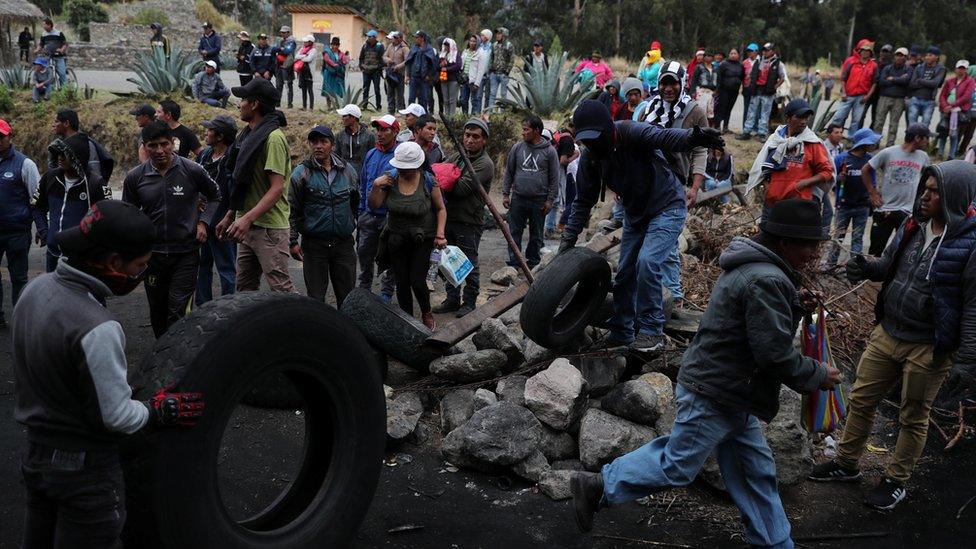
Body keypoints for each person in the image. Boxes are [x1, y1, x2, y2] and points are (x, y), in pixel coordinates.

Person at [572, 199, 839, 548]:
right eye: (809, 244)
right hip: (716, 392)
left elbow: (756, 323)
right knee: (677, 464)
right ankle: (598, 486)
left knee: (754, 472)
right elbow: (773, 354)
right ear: (785, 242)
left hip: (731, 392)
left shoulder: (761, 271)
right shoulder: (766, 279)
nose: (813, 252)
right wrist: (817, 374)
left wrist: (794, 302)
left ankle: (775, 542)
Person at [14, 199, 205, 548]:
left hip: (36, 457)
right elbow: (117, 418)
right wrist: (158, 410)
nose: (141, 274)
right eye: (140, 265)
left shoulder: (33, 291)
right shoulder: (97, 327)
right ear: (114, 263)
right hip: (84, 472)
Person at [810, 160, 976, 510]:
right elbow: (889, 267)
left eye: (935, 191)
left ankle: (895, 480)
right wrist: (867, 269)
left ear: (955, 197)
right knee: (861, 397)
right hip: (889, 332)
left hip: (929, 346)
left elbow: (974, 306)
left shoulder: (971, 244)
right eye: (925, 188)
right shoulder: (912, 226)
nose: (925, 196)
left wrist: (966, 360)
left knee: (912, 415)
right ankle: (845, 464)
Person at [560, 101, 723, 351]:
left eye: (595, 138)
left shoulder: (631, 131)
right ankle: (623, 331)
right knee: (625, 272)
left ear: (608, 128)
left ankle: (651, 331)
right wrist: (568, 241)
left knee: (647, 262)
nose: (591, 144)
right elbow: (583, 201)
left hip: (667, 206)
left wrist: (693, 137)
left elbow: (665, 137)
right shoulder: (591, 157)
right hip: (636, 214)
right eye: (586, 140)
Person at [122, 121, 220, 337]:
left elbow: (215, 196)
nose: (159, 151)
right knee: (158, 312)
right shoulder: (135, 177)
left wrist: (204, 222)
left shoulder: (192, 169)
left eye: (164, 144)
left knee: (178, 311)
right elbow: (127, 214)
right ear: (144, 146)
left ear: (173, 143)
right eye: (153, 145)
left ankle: (180, 361)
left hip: (185, 253)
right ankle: (162, 356)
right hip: (152, 257)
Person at [216, 77, 296, 293]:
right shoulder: (248, 136)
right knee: (244, 289)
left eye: (243, 99)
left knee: (282, 289)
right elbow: (244, 184)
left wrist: (246, 219)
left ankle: (302, 326)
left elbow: (277, 188)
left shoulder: (273, 138)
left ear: (255, 104)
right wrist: (232, 214)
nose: (239, 104)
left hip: (269, 228)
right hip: (248, 225)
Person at [638, 62, 708, 307]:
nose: (668, 88)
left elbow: (700, 150)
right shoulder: (648, 109)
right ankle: (658, 297)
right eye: (664, 83)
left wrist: (694, 186)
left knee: (666, 245)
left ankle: (672, 297)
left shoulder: (693, 112)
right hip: (647, 184)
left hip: (674, 183)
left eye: (673, 83)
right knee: (650, 244)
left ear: (682, 83)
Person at [368, 141, 447, 329]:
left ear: (418, 165)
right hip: (396, 238)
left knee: (417, 280)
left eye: (408, 168)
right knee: (402, 281)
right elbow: (374, 205)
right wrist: (375, 186)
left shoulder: (428, 180)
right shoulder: (390, 179)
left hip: (422, 238)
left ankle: (426, 312)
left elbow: (441, 209)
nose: (403, 171)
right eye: (400, 167)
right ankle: (407, 319)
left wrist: (440, 234)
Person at [289, 125, 359, 306]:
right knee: (316, 298)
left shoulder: (348, 171)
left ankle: (345, 334)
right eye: (314, 142)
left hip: (343, 244)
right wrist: (292, 241)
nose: (318, 146)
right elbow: (294, 209)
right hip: (314, 245)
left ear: (332, 145)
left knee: (347, 298)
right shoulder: (301, 173)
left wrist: (350, 225)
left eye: (323, 142)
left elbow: (355, 203)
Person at [433, 118, 493, 318]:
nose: (470, 140)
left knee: (469, 262)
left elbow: (461, 188)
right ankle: (452, 299)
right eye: (467, 135)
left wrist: (447, 177)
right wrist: (445, 176)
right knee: (448, 261)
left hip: (470, 220)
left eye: (475, 137)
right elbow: (438, 175)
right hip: (450, 217)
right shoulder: (458, 156)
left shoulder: (485, 164)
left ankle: (469, 302)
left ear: (484, 140)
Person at [33, 135, 111, 273]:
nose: (60, 158)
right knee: (51, 293)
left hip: (82, 258)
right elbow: (37, 206)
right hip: (53, 254)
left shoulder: (96, 183)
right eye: (59, 153)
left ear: (78, 158)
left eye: (66, 154)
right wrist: (46, 233)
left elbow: (107, 219)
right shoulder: (49, 178)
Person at [747, 98, 833, 219]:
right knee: (768, 235)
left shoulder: (812, 143)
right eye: (799, 117)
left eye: (806, 117)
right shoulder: (775, 139)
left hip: (799, 206)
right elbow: (762, 166)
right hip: (773, 204)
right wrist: (768, 188)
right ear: (788, 118)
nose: (803, 121)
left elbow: (827, 172)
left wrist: (803, 184)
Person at [861, 123, 932, 256]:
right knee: (875, 251)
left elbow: (928, 178)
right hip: (885, 210)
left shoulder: (923, 157)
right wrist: (873, 193)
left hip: (907, 212)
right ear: (917, 138)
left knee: (902, 251)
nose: (928, 141)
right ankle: (870, 277)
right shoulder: (888, 152)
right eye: (926, 138)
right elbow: (865, 170)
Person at [503, 115, 560, 269]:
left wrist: (550, 200)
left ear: (536, 131)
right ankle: (514, 262)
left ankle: (533, 261)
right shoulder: (517, 148)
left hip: (539, 200)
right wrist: (506, 194)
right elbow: (509, 172)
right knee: (514, 231)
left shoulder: (549, 151)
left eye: (526, 129)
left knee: (536, 234)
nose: (523, 132)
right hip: (518, 198)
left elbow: (555, 178)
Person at [0, 119, 41, 329]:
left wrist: (40, 227)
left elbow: (37, 197)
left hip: (17, 231)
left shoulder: (25, 164)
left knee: (18, 277)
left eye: (1, 137)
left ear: (10, 137)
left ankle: (20, 318)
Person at [195, 115, 238, 304]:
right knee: (201, 265)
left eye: (209, 130)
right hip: (203, 221)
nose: (206, 132)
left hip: (223, 222)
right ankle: (203, 305)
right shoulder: (204, 155)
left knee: (226, 267)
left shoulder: (233, 159)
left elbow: (237, 191)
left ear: (220, 136)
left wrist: (231, 215)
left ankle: (228, 308)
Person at [357, 114, 400, 300]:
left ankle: (386, 293)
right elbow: (363, 182)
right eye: (378, 129)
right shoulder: (371, 154)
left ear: (396, 132)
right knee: (364, 253)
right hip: (368, 215)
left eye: (385, 129)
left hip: (389, 217)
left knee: (390, 257)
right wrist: (360, 212)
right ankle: (364, 288)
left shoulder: (400, 155)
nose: (380, 134)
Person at [824, 128, 880, 268]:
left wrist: (873, 195)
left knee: (857, 238)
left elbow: (872, 182)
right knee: (838, 238)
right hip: (843, 206)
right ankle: (830, 265)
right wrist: (839, 177)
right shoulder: (841, 159)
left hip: (862, 206)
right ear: (862, 144)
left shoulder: (869, 159)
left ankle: (855, 267)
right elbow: (830, 179)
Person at [50, 109, 115, 183]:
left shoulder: (87, 145)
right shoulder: (58, 145)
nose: (53, 125)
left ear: (66, 123)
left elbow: (95, 176)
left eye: (56, 121)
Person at [739, 43, 786, 140]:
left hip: (768, 92)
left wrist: (774, 87)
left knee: (765, 113)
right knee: (751, 112)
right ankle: (746, 132)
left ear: (772, 51)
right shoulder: (758, 60)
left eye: (767, 50)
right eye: (763, 50)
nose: (764, 52)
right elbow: (753, 74)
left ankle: (762, 134)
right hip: (756, 90)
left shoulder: (778, 63)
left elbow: (782, 78)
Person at [831, 39, 878, 132]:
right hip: (848, 95)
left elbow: (874, 83)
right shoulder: (851, 61)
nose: (865, 52)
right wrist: (843, 93)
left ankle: (851, 139)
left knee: (856, 120)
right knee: (839, 117)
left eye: (868, 51)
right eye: (863, 50)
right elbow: (843, 78)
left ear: (871, 52)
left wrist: (868, 97)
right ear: (859, 50)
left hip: (861, 97)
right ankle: (833, 135)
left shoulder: (873, 65)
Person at [872, 47, 912, 147]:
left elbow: (906, 82)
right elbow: (882, 82)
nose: (899, 57)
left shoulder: (909, 69)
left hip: (899, 99)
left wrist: (892, 79)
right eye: (897, 55)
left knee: (894, 123)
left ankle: (890, 144)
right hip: (884, 97)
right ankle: (875, 142)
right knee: (878, 121)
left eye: (901, 55)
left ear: (906, 58)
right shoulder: (887, 68)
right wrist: (899, 80)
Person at [935, 60, 975, 159]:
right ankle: (940, 152)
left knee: (954, 134)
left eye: (963, 68)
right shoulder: (950, 81)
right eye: (959, 68)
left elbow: (966, 97)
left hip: (959, 111)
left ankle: (951, 155)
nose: (961, 70)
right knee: (943, 131)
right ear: (955, 68)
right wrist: (944, 106)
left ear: (966, 70)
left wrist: (952, 106)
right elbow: (942, 95)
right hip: (946, 111)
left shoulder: (970, 81)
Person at [907, 46, 947, 128]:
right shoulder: (919, 67)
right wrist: (928, 83)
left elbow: (935, 83)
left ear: (936, 57)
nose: (927, 57)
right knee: (911, 125)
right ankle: (911, 140)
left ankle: (922, 140)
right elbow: (912, 83)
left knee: (925, 125)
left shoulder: (941, 69)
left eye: (930, 55)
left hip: (929, 100)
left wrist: (920, 80)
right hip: (915, 98)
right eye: (926, 55)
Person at [336, 104, 375, 176]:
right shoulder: (339, 135)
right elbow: (336, 156)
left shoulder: (369, 136)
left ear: (353, 117)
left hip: (363, 174)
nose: (342, 118)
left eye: (344, 116)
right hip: (344, 174)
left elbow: (373, 159)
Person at [821, 122, 846, 232]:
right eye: (836, 133)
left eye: (841, 132)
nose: (840, 135)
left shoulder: (840, 147)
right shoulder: (822, 147)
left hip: (836, 184)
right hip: (824, 184)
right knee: (827, 212)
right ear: (829, 134)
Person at [715, 48, 744, 133]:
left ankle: (725, 127)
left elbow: (742, 77)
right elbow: (719, 78)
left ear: (738, 55)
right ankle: (717, 126)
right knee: (721, 108)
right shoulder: (724, 64)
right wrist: (718, 90)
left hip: (734, 91)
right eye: (731, 53)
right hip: (724, 90)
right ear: (729, 55)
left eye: (735, 53)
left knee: (729, 109)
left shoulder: (740, 65)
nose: (733, 55)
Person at [487, 27, 516, 110]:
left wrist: (507, 71)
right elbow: (491, 57)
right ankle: (490, 112)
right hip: (494, 73)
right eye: (497, 33)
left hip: (503, 74)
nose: (497, 35)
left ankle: (503, 113)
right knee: (492, 93)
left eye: (499, 33)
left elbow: (512, 59)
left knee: (503, 94)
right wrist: (490, 69)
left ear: (504, 35)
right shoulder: (494, 45)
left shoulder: (509, 45)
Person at [406, 31, 437, 112]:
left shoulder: (429, 49)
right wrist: (407, 75)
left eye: (417, 37)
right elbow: (409, 62)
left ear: (422, 38)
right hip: (414, 77)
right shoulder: (414, 48)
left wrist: (429, 75)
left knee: (423, 99)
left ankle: (422, 115)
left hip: (424, 79)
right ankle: (410, 114)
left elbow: (433, 65)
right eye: (415, 37)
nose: (415, 39)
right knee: (411, 97)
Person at [36, 18, 67, 88]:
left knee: (62, 73)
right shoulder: (43, 35)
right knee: (48, 74)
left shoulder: (59, 33)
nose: (43, 26)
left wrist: (62, 50)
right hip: (48, 57)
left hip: (58, 57)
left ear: (49, 25)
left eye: (44, 24)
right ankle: (50, 90)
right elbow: (41, 44)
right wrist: (37, 49)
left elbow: (65, 44)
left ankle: (65, 90)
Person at [358, 30, 385, 110]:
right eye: (368, 36)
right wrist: (361, 67)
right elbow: (361, 58)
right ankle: (364, 105)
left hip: (375, 72)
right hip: (366, 72)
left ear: (374, 37)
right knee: (365, 89)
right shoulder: (365, 46)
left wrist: (378, 68)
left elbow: (382, 59)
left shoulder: (380, 46)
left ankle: (378, 107)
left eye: (370, 36)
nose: (368, 38)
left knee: (377, 90)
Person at [384, 31, 409, 115]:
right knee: (390, 92)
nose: (395, 39)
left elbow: (407, 61)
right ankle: (391, 110)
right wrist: (388, 60)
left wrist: (398, 66)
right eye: (394, 37)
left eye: (397, 38)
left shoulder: (405, 48)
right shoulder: (390, 46)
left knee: (399, 94)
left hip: (399, 74)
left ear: (401, 38)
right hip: (390, 73)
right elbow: (384, 56)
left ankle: (400, 110)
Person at [690, 51, 718, 127]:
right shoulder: (699, 67)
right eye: (707, 56)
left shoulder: (715, 68)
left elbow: (718, 80)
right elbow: (694, 80)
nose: (708, 57)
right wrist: (693, 92)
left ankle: (708, 128)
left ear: (713, 57)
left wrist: (716, 91)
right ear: (704, 57)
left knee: (710, 111)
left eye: (710, 56)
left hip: (711, 92)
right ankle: (698, 127)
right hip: (701, 91)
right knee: (701, 110)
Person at [460, 34, 486, 115]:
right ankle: (464, 116)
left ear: (477, 42)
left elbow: (481, 70)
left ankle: (473, 117)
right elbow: (462, 65)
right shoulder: (465, 51)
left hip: (473, 81)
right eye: (470, 41)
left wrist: (477, 84)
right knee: (463, 100)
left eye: (474, 41)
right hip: (464, 79)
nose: (472, 43)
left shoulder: (481, 53)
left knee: (474, 100)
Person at [438, 38, 463, 115]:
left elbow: (458, 66)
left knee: (452, 99)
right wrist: (440, 65)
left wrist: (447, 68)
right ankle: (447, 115)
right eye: (445, 46)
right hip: (443, 78)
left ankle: (451, 116)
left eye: (447, 46)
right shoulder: (442, 55)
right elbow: (438, 66)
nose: (446, 47)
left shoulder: (456, 55)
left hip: (453, 79)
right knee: (445, 99)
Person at [274, 25, 296, 108]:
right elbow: (274, 49)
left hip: (287, 66)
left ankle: (290, 103)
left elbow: (288, 51)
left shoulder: (292, 41)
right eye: (281, 32)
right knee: (278, 85)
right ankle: (277, 102)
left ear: (288, 32)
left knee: (288, 85)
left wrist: (280, 49)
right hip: (279, 65)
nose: (282, 34)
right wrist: (281, 49)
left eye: (284, 32)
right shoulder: (280, 41)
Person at [294, 35, 317, 110]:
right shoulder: (302, 49)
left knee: (310, 90)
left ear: (310, 42)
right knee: (303, 90)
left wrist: (301, 57)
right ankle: (304, 107)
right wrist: (304, 55)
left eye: (306, 41)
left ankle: (311, 108)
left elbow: (308, 59)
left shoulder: (313, 50)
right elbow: (296, 56)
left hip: (309, 73)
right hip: (302, 72)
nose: (304, 43)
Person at [741, 42, 759, 126]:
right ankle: (745, 127)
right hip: (747, 88)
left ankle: (755, 128)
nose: (749, 53)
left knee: (756, 109)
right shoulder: (744, 62)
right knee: (747, 108)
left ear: (756, 51)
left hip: (757, 89)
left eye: (751, 51)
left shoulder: (761, 62)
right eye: (748, 51)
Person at [477, 29, 493, 112]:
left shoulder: (492, 47)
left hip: (488, 75)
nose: (481, 37)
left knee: (487, 96)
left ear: (487, 37)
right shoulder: (479, 47)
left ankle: (486, 113)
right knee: (478, 96)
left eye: (483, 35)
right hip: (480, 75)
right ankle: (478, 113)